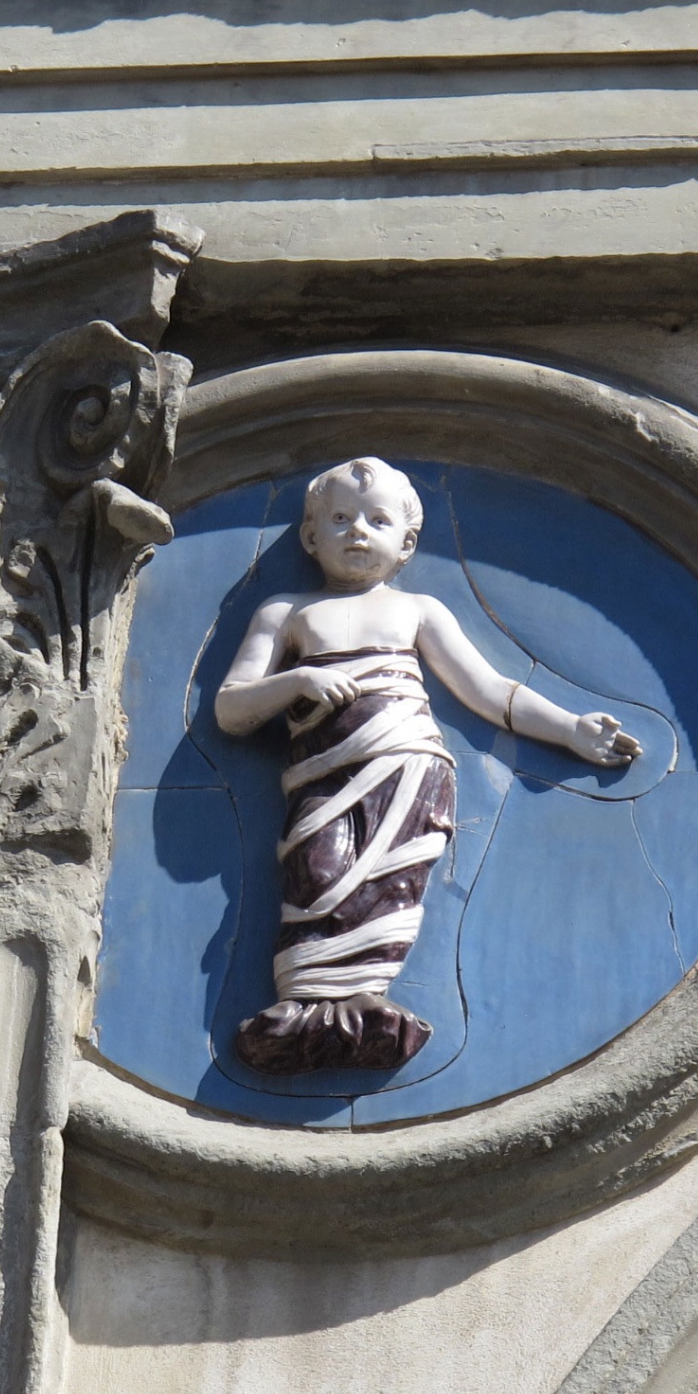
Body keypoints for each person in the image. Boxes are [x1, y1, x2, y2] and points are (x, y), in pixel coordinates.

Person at [214, 458, 641, 1073]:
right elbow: (232, 710)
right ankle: (302, 1008)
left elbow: (490, 691)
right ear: (311, 537)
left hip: (408, 769)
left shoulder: (418, 611)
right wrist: (297, 680)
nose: (358, 531)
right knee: (316, 873)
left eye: (377, 520)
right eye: (340, 519)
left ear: (407, 543)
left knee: (389, 889)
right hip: (322, 777)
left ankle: (364, 1006)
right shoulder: (285, 613)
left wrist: (570, 730)